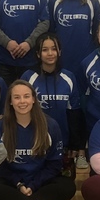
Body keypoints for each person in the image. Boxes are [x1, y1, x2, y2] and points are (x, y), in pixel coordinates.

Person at [0, 80, 79, 200]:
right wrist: (18, 184)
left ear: (34, 99)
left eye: (26, 96)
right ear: (10, 102)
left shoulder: (50, 125)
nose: (22, 101)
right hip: (12, 183)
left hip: (39, 182)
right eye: (17, 97)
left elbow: (54, 164)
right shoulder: (0, 127)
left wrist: (33, 185)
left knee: (67, 187)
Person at [21, 33, 87, 174]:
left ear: (60, 52)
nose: (50, 53)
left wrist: (74, 144)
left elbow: (74, 113)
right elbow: (21, 112)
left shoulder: (69, 78)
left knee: (63, 185)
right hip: (34, 142)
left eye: (54, 49)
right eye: (45, 50)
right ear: (38, 54)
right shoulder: (28, 78)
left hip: (63, 144)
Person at [47, 0, 100, 74]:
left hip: (86, 57)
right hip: (62, 58)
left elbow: (98, 31)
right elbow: (50, 32)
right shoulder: (54, 1)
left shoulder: (92, 1)